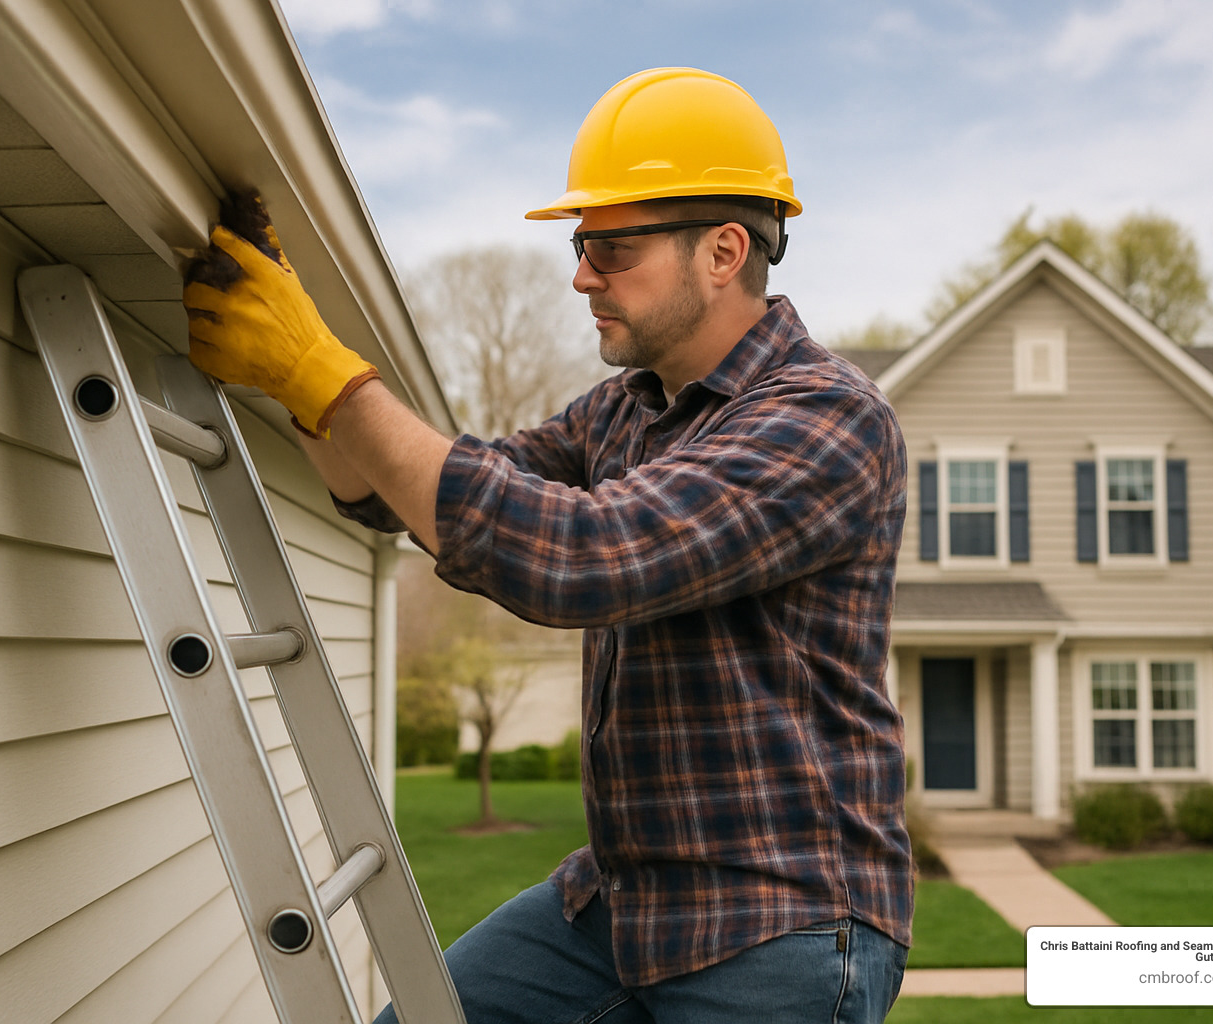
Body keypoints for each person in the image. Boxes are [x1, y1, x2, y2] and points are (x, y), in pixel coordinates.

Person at [184, 67, 913, 1024]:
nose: (581, 276)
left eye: (612, 248)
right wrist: (294, 375)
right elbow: (431, 497)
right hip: (625, 902)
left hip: (784, 925)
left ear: (725, 249)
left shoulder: (825, 421)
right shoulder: (623, 410)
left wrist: (327, 373)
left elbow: (583, 556)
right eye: (581, 246)